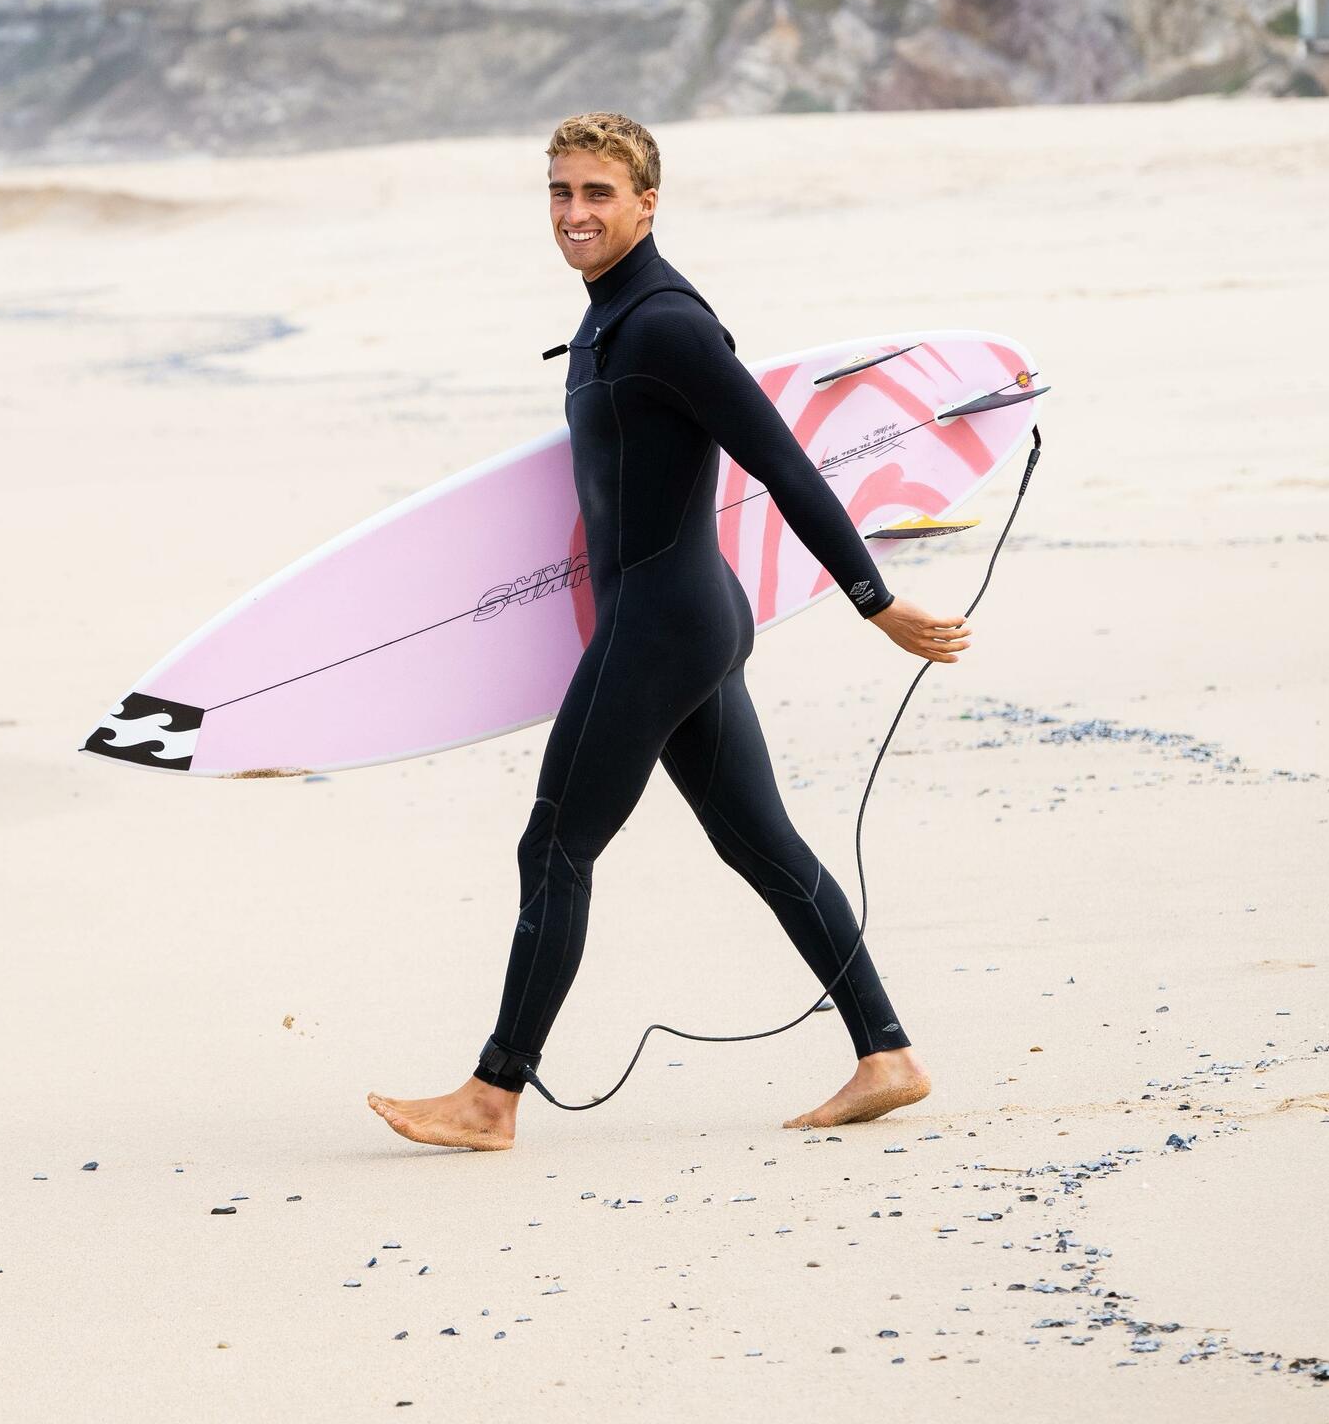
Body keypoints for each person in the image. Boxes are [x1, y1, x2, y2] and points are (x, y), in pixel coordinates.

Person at [367, 112, 969, 1152]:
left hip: (662, 620)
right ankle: (888, 1052)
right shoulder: (608, 318)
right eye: (560, 192)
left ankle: (492, 1095)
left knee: (556, 842)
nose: (575, 213)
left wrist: (876, 599)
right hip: (681, 617)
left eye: (598, 193)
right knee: (758, 841)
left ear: (648, 201)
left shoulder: (667, 323)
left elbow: (782, 460)